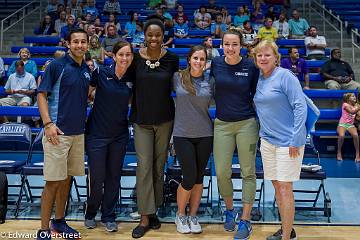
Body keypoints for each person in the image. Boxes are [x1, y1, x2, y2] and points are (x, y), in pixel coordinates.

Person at [35, 29, 90, 240]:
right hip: (57, 133)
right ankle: (43, 229)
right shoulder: (57, 65)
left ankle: (59, 221)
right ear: (68, 44)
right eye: (75, 41)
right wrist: (48, 123)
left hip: (77, 134)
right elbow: (41, 94)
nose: (79, 45)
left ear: (87, 44)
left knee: (66, 179)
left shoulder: (85, 69)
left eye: (83, 42)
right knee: (53, 182)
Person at [129, 16, 179, 239]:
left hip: (165, 120)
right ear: (144, 35)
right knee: (144, 167)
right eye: (150, 34)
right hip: (141, 121)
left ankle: (154, 209)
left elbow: (178, 89)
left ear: (163, 36)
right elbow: (126, 86)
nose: (154, 38)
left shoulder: (173, 59)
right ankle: (144, 216)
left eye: (158, 35)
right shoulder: (135, 59)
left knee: (159, 168)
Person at [253, 40, 307, 240]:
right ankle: (287, 229)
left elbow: (300, 106)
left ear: (276, 57)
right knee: (277, 186)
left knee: (285, 188)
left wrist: (296, 138)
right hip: (268, 141)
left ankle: (286, 236)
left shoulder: (285, 76)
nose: (263, 58)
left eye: (267, 55)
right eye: (260, 55)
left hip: (289, 142)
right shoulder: (259, 78)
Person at [211, 29, 259, 240]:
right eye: (227, 44)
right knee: (222, 172)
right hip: (222, 124)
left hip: (247, 124)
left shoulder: (250, 65)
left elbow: (259, 94)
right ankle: (230, 210)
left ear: (241, 45)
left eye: (234, 44)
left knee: (248, 172)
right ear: (222, 45)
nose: (230, 48)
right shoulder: (216, 63)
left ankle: (246, 220)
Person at [84, 40, 133, 232]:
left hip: (119, 135)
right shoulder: (101, 72)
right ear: (113, 56)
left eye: (128, 54)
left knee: (114, 178)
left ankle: (108, 215)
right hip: (96, 134)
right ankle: (90, 212)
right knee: (97, 179)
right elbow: (86, 94)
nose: (124, 58)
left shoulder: (132, 77)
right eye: (121, 54)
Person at [173, 45, 213, 234]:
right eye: (195, 58)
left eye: (202, 59)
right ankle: (180, 214)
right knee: (188, 176)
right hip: (182, 134)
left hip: (205, 134)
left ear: (206, 62)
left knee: (198, 178)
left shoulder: (210, 81)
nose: (198, 62)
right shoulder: (177, 78)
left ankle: (193, 215)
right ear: (189, 59)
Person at [337, 93, 360, 161]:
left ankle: (358, 154)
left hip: (351, 125)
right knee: (341, 136)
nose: (354, 97)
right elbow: (352, 112)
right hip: (342, 124)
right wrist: (358, 107)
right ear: (348, 99)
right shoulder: (345, 104)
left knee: (355, 135)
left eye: (355, 96)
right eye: (352, 96)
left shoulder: (356, 105)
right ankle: (339, 152)